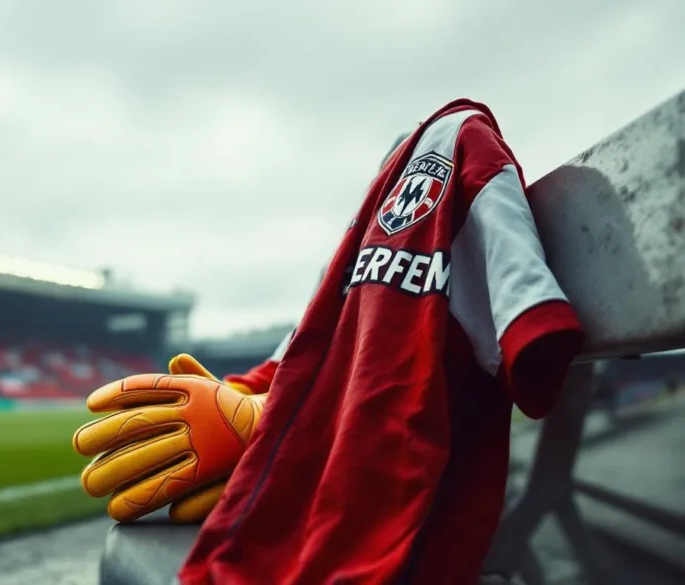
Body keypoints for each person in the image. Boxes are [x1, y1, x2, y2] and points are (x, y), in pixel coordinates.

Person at [75, 99, 584, 585]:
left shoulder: (457, 148)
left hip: (400, 542)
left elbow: (520, 364)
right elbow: (297, 357)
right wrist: (245, 412)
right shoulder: (351, 255)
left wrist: (265, 425)